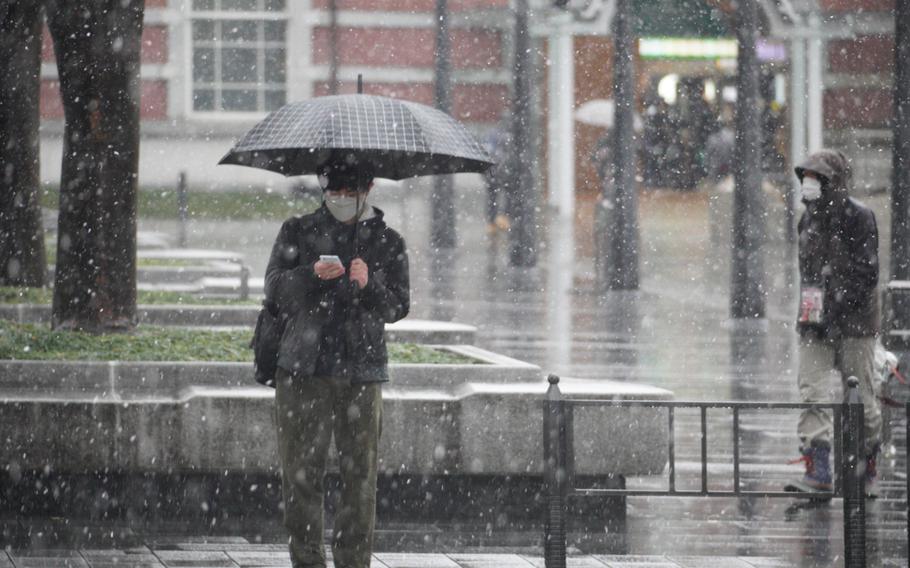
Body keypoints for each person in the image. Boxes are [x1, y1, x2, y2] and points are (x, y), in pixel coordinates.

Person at [264, 156, 410, 568]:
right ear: (322, 190)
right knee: (300, 474)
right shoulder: (298, 230)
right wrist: (311, 274)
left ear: (369, 190)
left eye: (351, 193)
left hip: (361, 372)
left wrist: (369, 284)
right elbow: (275, 289)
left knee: (359, 478)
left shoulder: (387, 241)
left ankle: (353, 561)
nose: (342, 200)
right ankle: (307, 560)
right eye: (335, 193)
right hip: (302, 368)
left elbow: (399, 305)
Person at [786, 149, 882, 498]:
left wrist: (836, 300)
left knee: (861, 399)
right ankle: (819, 467)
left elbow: (866, 274)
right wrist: (813, 310)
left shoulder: (860, 217)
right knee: (811, 390)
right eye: (806, 178)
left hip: (855, 325)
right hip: (814, 322)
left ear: (834, 183)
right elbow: (807, 270)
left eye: (817, 178)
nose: (809, 185)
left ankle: (865, 464)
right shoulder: (807, 218)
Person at [482, 114, 512, 235]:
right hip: (504, 171)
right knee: (508, 194)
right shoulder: (509, 135)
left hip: (492, 172)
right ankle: (503, 218)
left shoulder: (493, 134)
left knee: (492, 196)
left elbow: (487, 150)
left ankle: (492, 222)